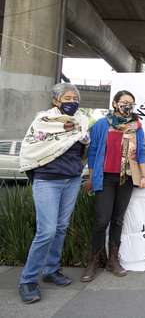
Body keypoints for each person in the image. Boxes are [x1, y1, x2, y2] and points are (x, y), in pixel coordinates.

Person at [18, 83, 89, 304]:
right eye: (67, 98)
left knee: (60, 228)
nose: (72, 101)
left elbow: (82, 149)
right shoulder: (44, 121)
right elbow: (32, 148)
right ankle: (28, 280)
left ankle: (51, 270)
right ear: (56, 101)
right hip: (48, 180)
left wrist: (85, 141)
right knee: (46, 231)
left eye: (75, 98)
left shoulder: (82, 121)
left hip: (72, 180)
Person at [80, 90, 145, 282]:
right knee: (102, 220)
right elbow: (93, 152)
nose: (128, 106)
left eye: (131, 103)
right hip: (105, 178)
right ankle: (93, 262)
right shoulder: (102, 124)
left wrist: (143, 176)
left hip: (126, 178)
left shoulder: (136, 126)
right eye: (124, 102)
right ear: (115, 103)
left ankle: (113, 260)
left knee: (118, 220)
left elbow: (141, 151)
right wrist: (92, 177)